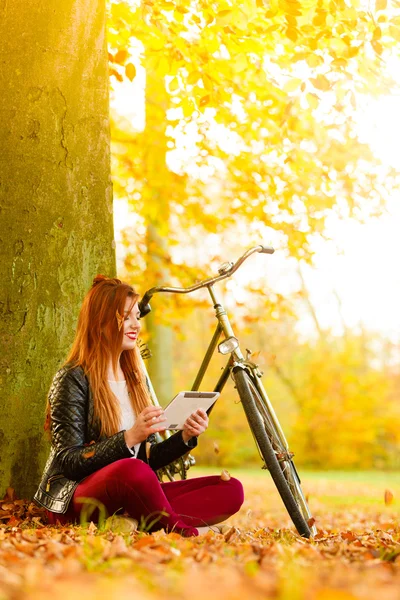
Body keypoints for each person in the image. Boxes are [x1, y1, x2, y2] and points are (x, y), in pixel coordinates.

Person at [34, 275, 244, 536]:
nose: (136, 325)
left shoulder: (136, 378)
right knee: (132, 471)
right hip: (76, 498)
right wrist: (129, 437)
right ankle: (186, 533)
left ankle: (132, 522)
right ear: (101, 324)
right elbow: (69, 461)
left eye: (137, 317)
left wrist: (186, 436)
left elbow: (150, 460)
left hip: (130, 493)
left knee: (230, 488)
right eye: (126, 317)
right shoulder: (72, 378)